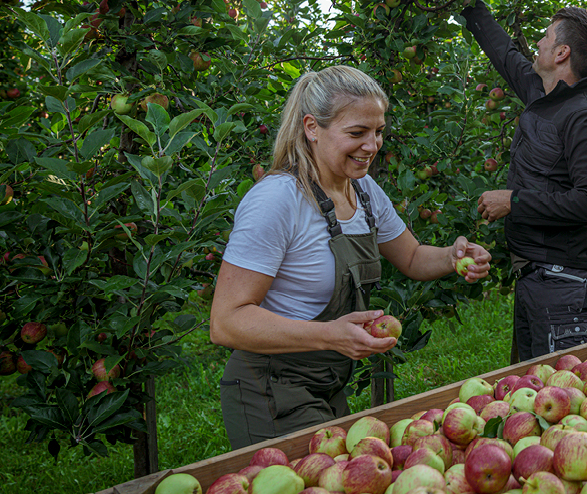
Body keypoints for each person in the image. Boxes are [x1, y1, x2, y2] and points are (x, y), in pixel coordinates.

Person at [210, 65, 491, 449]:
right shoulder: (278, 200)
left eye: (378, 132)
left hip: (326, 383)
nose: (372, 145)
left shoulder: (363, 189)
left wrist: (453, 256)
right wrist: (329, 334)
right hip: (269, 388)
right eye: (357, 133)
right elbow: (226, 322)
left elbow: (411, 257)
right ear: (312, 128)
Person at [459, 0, 587, 363]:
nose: (538, 43)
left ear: (562, 52)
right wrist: (470, 4)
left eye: (546, 36)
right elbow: (504, 54)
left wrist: (513, 201)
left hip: (565, 285)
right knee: (533, 391)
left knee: (562, 397)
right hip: (537, 277)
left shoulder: (585, 119)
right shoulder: (541, 94)